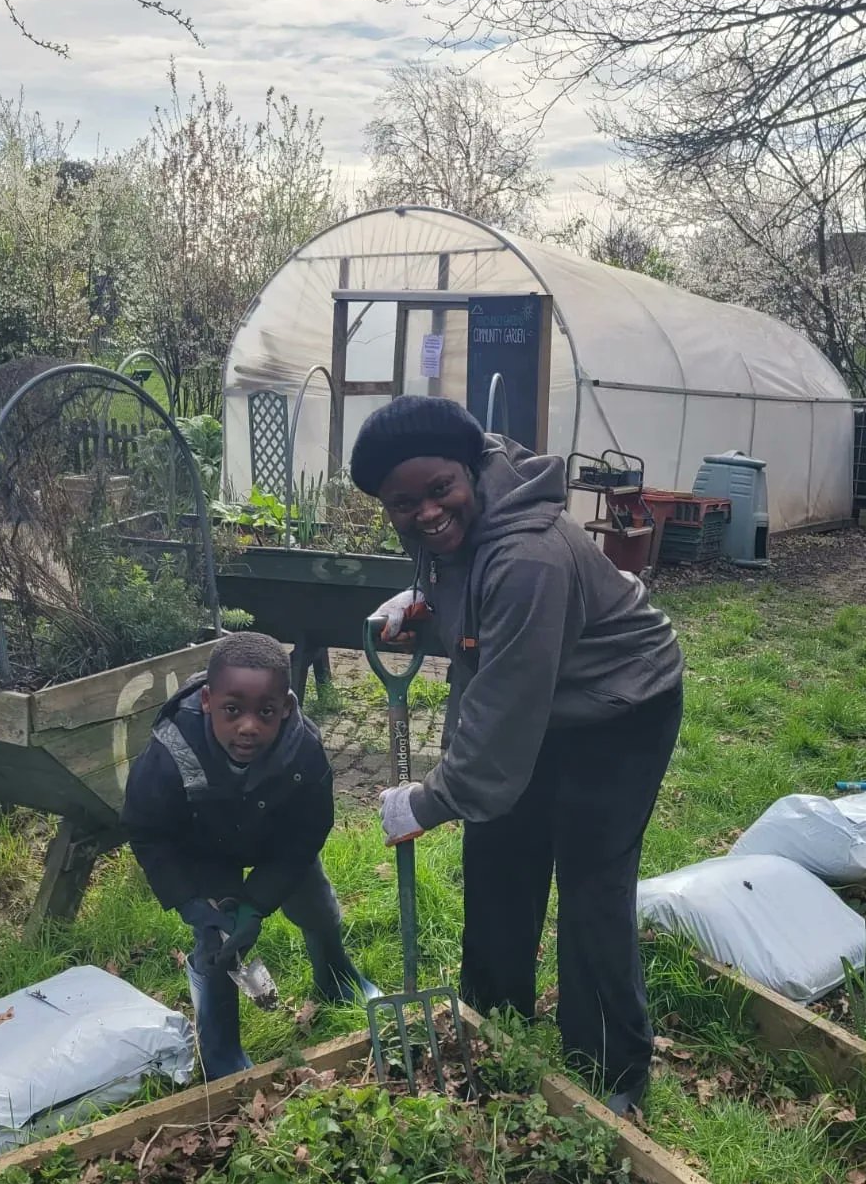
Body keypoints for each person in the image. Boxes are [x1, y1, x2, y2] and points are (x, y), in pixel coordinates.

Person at [350, 394, 684, 1115]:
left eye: (440, 490)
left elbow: (499, 728)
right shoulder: (462, 519)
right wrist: (420, 600)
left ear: (470, 469)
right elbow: (469, 593)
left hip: (621, 709)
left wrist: (428, 801)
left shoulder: (529, 557)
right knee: (499, 853)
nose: (428, 513)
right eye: (403, 504)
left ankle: (610, 1071)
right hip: (546, 696)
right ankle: (493, 1018)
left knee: (591, 885)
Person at [121, 631, 376, 1079]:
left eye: (266, 712)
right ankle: (221, 1051)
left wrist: (258, 902)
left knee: (316, 905)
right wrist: (188, 901)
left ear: (287, 710)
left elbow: (307, 834)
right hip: (206, 852)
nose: (248, 726)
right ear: (206, 701)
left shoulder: (306, 750)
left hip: (275, 845)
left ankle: (336, 978)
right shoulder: (169, 752)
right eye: (232, 710)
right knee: (218, 943)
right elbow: (147, 832)